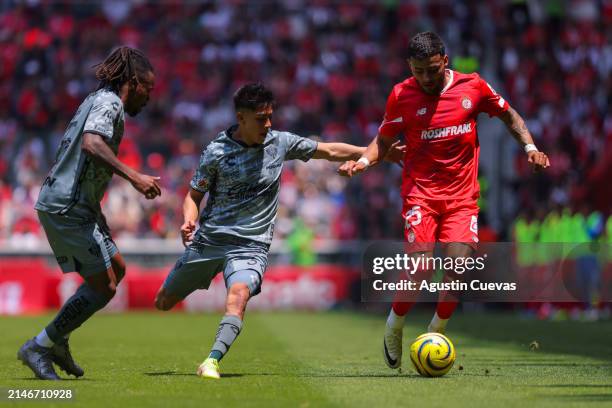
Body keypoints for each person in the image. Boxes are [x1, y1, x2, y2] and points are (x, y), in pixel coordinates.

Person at [154, 82, 402, 379]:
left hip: (251, 246)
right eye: (261, 118)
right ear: (241, 117)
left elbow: (329, 149)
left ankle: (212, 360)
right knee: (164, 302)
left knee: (239, 293)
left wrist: (375, 153)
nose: (268, 124)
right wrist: (188, 220)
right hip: (210, 240)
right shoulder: (216, 151)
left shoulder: (279, 142)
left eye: (270, 116)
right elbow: (193, 197)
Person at [339, 32, 550, 370]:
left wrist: (530, 148)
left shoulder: (474, 87)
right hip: (420, 195)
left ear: (445, 61)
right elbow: (383, 139)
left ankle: (435, 333)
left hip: (462, 198)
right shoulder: (400, 95)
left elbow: (510, 116)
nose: (426, 78)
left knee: (457, 269)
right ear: (410, 66)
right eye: (419, 70)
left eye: (432, 70)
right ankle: (394, 325)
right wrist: (362, 163)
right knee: (421, 268)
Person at [18, 47, 161, 380]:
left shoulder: (96, 99)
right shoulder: (109, 103)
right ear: (135, 82)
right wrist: (135, 177)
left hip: (83, 204)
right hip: (67, 206)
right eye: (148, 90)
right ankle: (40, 345)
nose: (149, 98)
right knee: (105, 286)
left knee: (118, 270)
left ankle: (58, 341)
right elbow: (91, 144)